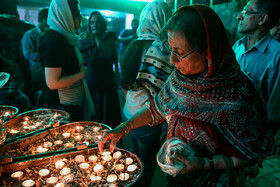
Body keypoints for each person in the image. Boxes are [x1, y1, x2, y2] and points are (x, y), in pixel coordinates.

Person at [99, 5, 275, 186]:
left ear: (209, 51)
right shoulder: (179, 79)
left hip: (215, 181)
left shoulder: (241, 94)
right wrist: (122, 129)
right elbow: (157, 108)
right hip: (179, 176)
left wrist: (205, 164)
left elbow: (253, 153)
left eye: (180, 53)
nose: (172, 60)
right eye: (170, 48)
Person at [120, 1, 172, 186]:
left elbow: (125, 84)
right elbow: (166, 92)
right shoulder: (162, 49)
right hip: (147, 116)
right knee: (147, 163)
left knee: (134, 154)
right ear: (164, 19)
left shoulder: (134, 45)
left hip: (128, 111)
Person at [232, 0, 280, 135]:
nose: (239, 17)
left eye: (246, 12)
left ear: (262, 18)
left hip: (252, 134)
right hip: (229, 129)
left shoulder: (277, 55)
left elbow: (274, 110)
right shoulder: (238, 46)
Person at [39, 0, 89, 121]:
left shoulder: (67, 38)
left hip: (70, 103)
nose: (81, 17)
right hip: (61, 108)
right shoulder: (54, 41)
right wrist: (81, 74)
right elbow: (52, 83)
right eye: (77, 13)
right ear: (65, 15)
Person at [79, 11, 121, 128]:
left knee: (109, 117)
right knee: (94, 119)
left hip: (108, 85)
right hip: (92, 85)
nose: (94, 25)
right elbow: (84, 60)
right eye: (92, 22)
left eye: (97, 22)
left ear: (103, 24)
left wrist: (94, 39)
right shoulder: (84, 40)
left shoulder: (109, 37)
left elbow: (108, 54)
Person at [21, 8, 49, 107]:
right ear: (42, 20)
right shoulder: (30, 35)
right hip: (37, 73)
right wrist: (44, 55)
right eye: (48, 20)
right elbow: (27, 54)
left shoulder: (49, 34)